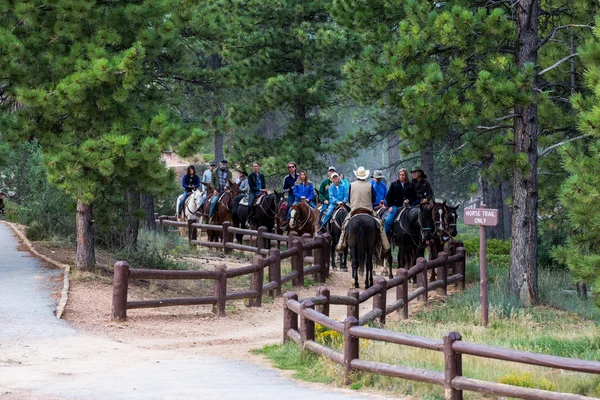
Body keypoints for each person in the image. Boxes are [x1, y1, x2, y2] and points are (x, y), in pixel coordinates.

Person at [335, 166, 390, 255]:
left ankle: (341, 244)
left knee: (344, 225)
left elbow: (349, 199)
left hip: (355, 210)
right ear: (365, 176)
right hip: (368, 210)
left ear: (357, 175)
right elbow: (373, 200)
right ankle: (385, 245)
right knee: (380, 224)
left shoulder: (351, 185)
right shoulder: (370, 185)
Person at [384, 168, 417, 234]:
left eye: (403, 175)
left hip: (408, 205)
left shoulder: (410, 184)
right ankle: (385, 237)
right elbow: (388, 196)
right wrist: (390, 206)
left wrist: (409, 200)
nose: (401, 176)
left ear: (406, 176)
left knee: (417, 216)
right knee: (388, 221)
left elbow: (414, 196)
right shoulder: (394, 184)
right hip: (396, 206)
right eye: (400, 175)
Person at [246, 162, 267, 227]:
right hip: (253, 192)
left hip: (262, 192)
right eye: (254, 166)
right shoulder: (250, 176)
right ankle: (248, 219)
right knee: (250, 204)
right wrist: (260, 190)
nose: (255, 167)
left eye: (256, 166)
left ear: (258, 167)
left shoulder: (261, 175)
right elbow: (251, 187)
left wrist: (264, 190)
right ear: (252, 167)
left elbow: (263, 185)